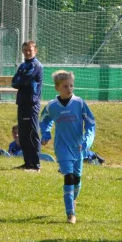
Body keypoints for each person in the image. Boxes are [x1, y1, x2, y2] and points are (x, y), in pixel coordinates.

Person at [40, 70, 95, 224]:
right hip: (62, 147)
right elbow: (44, 120)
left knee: (77, 179)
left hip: (78, 147)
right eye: (65, 86)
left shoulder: (79, 103)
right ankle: (70, 214)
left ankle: (73, 200)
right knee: (69, 177)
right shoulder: (52, 106)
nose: (69, 89)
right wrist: (46, 134)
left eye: (71, 86)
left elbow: (91, 123)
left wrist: (87, 142)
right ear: (57, 87)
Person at [12, 40, 43, 171]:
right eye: (25, 50)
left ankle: (35, 164)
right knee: (23, 134)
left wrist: (21, 79)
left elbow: (24, 80)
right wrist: (20, 80)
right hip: (22, 103)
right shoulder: (23, 66)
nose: (27, 52)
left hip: (32, 104)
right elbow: (14, 82)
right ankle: (27, 162)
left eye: (30, 50)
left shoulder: (36, 65)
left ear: (35, 50)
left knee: (32, 134)